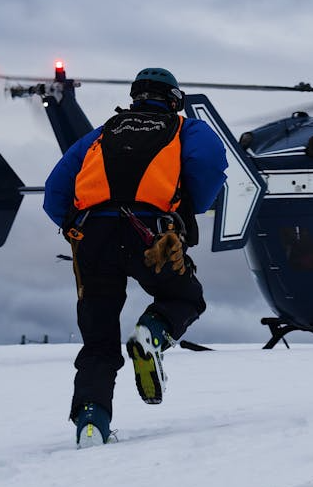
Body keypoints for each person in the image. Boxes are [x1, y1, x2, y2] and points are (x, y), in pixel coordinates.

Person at [43, 67, 227, 447]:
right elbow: (209, 168)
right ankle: (152, 335)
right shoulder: (185, 129)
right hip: (153, 236)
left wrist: (75, 226)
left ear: (135, 98)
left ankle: (92, 424)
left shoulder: (101, 135)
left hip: (93, 238)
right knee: (184, 298)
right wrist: (187, 208)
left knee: (98, 341)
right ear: (174, 100)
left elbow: (54, 192)